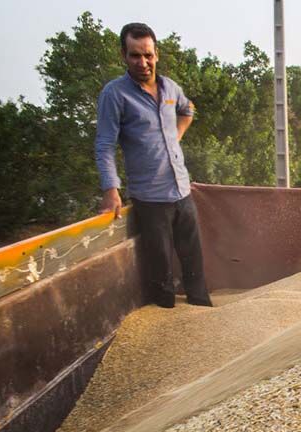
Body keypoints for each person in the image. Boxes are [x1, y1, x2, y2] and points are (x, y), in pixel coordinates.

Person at [96, 22, 212, 308]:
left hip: (182, 189)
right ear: (124, 56)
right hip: (150, 198)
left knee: (194, 261)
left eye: (148, 54)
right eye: (135, 55)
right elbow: (104, 144)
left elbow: (189, 109)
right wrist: (111, 189)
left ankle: (203, 309)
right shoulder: (115, 94)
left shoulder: (170, 87)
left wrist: (177, 134)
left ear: (156, 54)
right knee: (160, 269)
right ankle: (166, 317)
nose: (143, 62)